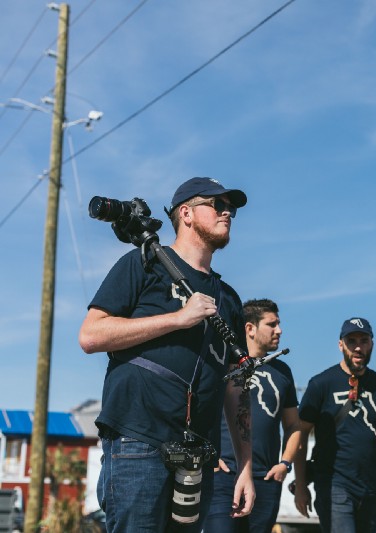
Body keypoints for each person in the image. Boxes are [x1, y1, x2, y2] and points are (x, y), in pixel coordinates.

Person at [79, 177, 255, 532]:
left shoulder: (229, 299)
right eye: (218, 205)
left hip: (197, 455)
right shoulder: (142, 265)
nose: (227, 213)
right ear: (186, 213)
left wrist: (245, 467)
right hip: (138, 440)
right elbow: (91, 335)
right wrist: (178, 319)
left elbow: (236, 388)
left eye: (231, 209)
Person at [293, 317, 376, 533]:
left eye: (364, 341)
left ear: (372, 344)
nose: (358, 347)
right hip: (334, 484)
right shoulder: (321, 384)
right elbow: (300, 435)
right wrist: (301, 486)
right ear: (341, 345)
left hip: (371, 486)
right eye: (352, 341)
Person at [205, 298, 302, 532]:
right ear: (250, 328)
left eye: (278, 324)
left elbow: (294, 425)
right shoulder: (223, 363)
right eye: (272, 324)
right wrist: (209, 456)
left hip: (266, 479)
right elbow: (198, 408)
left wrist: (284, 464)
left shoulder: (283, 371)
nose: (279, 330)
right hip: (224, 474)